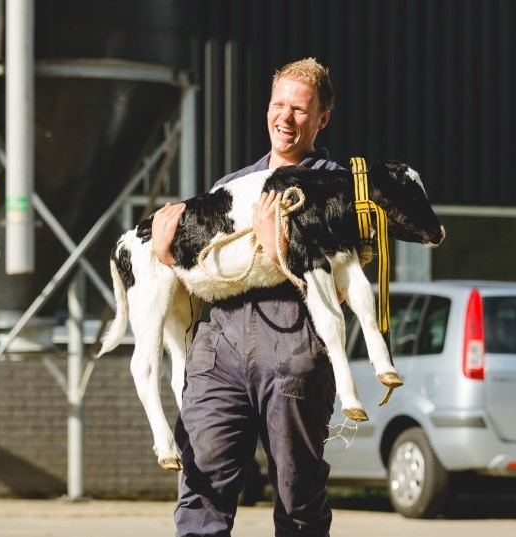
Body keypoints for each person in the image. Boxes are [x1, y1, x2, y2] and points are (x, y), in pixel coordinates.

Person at [152, 57, 343, 536]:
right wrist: (168, 258)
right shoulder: (230, 189)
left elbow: (338, 288)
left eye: (300, 109)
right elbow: (201, 280)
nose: (285, 117)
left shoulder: (337, 188)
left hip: (294, 352)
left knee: (298, 499)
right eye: (278, 104)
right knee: (202, 492)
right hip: (219, 352)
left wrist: (278, 249)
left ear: (322, 118)